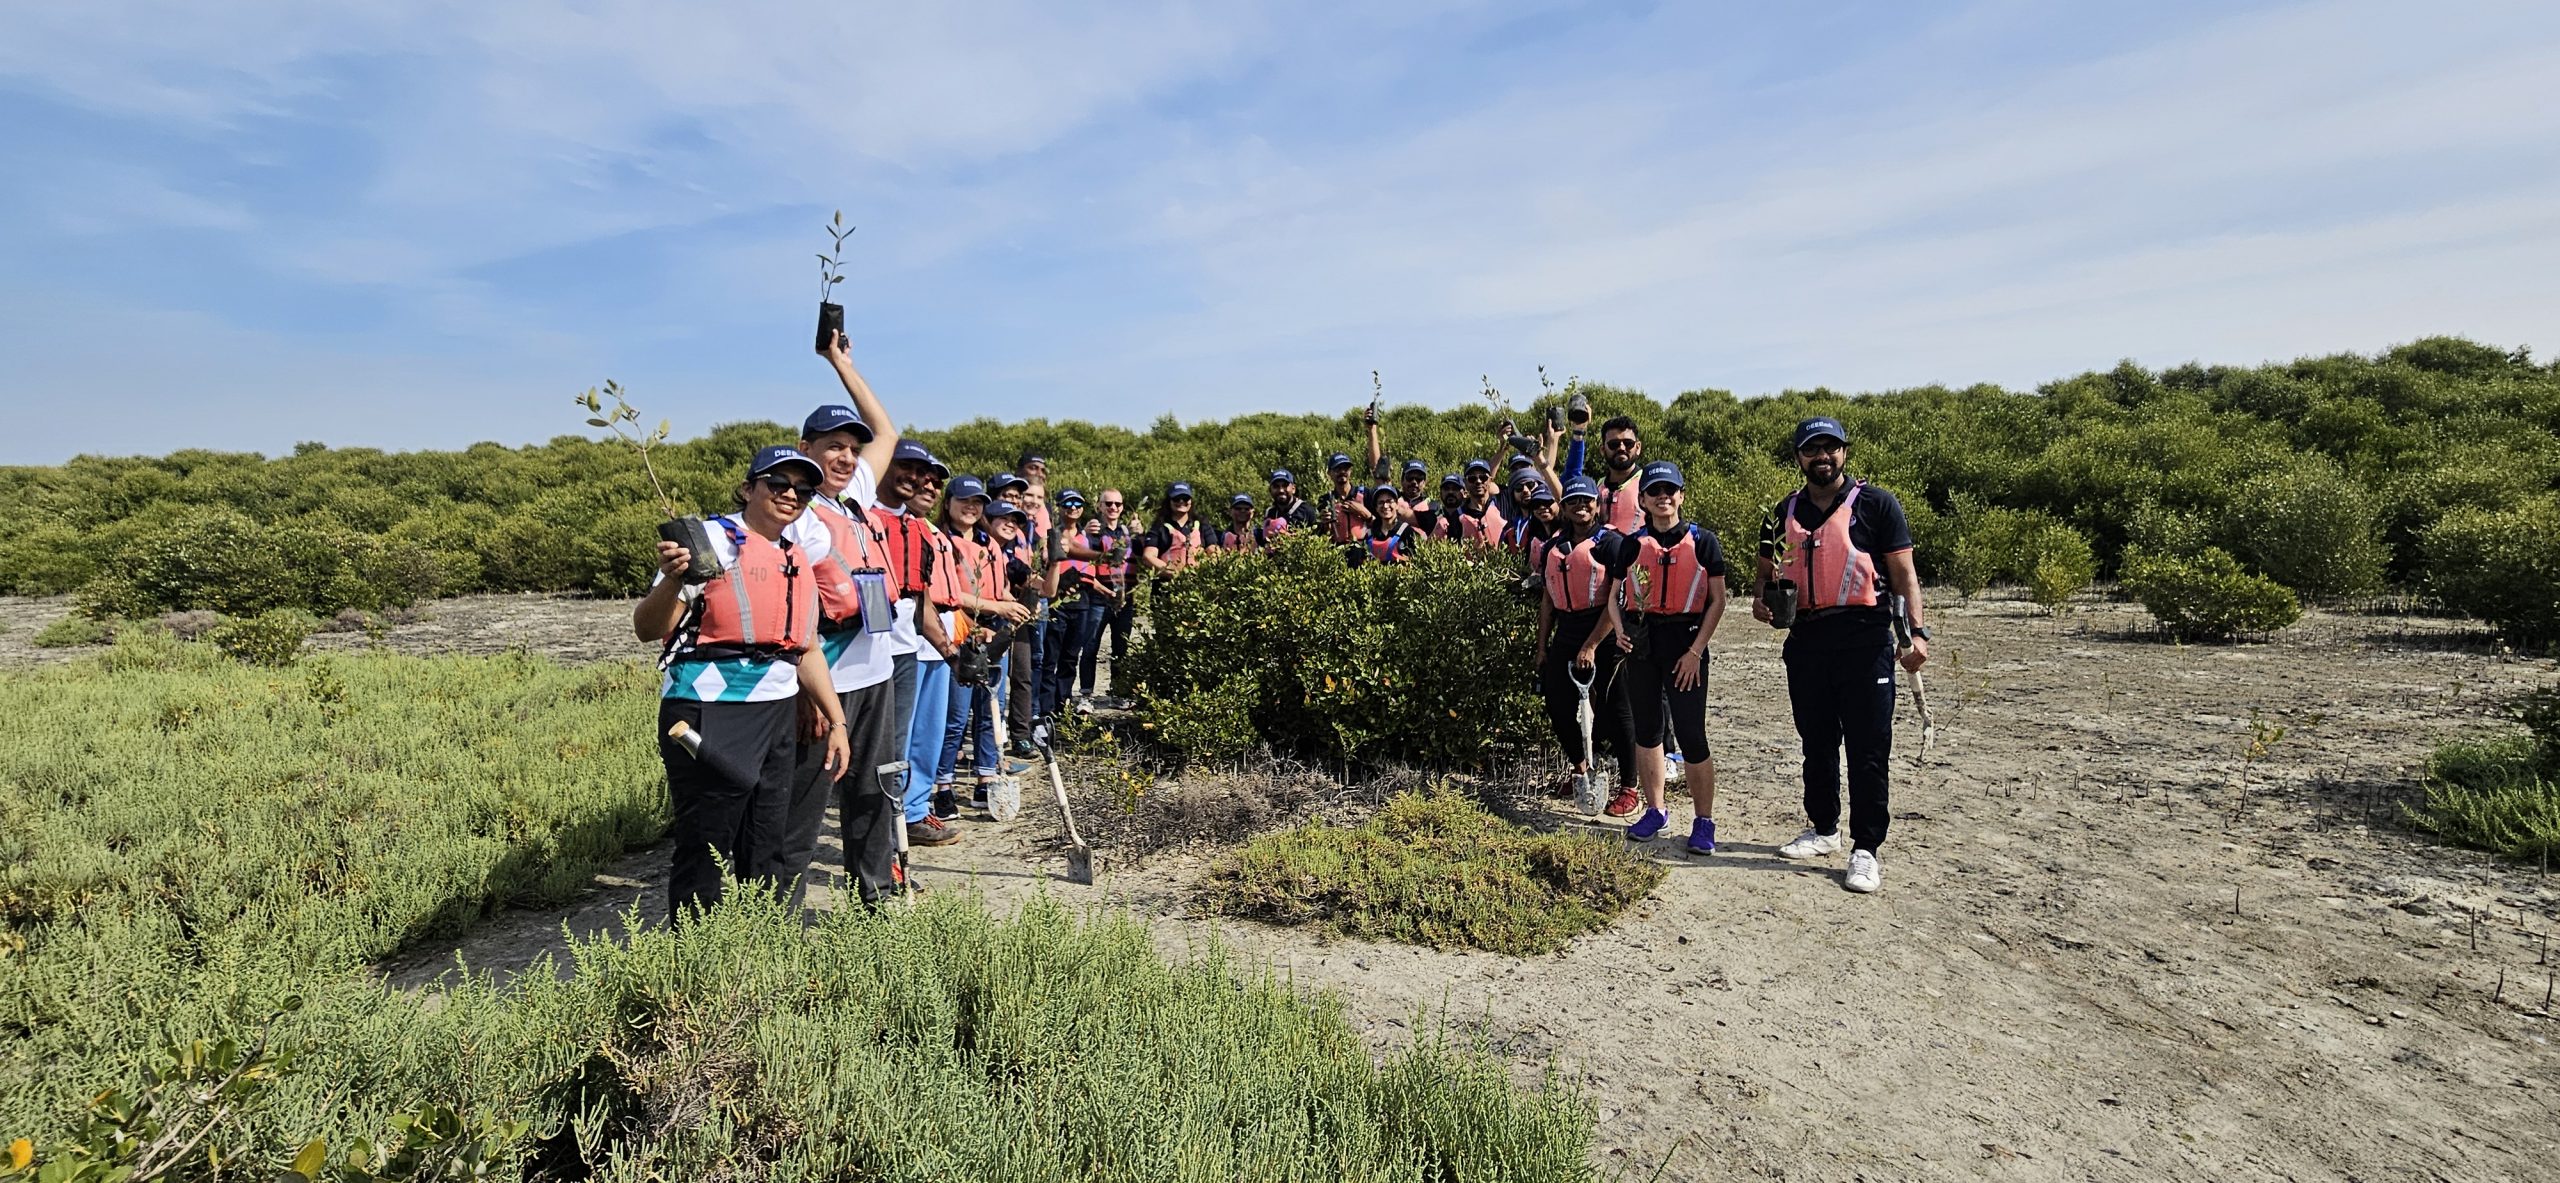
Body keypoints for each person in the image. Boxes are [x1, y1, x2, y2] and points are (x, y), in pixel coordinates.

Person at [635, 446, 848, 921]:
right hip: (706, 707)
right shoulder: (708, 540)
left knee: (766, 841)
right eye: (779, 483)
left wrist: (837, 721)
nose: (791, 494)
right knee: (706, 843)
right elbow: (648, 628)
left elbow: (806, 647)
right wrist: (672, 580)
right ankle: (698, 957)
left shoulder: (795, 556)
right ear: (749, 488)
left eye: (804, 489)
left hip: (775, 710)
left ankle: (761, 943)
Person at [1754, 416, 1928, 894]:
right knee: (1816, 741)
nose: (1822, 457)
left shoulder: (1876, 505)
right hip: (1806, 640)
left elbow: (1905, 576)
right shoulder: (1780, 512)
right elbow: (1765, 572)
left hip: (1865, 638)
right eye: (1812, 449)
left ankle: (1866, 849)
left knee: (1868, 749)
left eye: (1831, 448)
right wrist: (1763, 601)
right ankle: (1824, 829)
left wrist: (1917, 633)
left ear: (1845, 453)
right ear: (1799, 458)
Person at [776, 332, 907, 908]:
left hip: (874, 672)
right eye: (831, 446)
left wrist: (840, 363)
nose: (846, 457)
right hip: (825, 678)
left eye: (851, 448)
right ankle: (775, 918)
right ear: (805, 449)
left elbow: (888, 433)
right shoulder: (793, 512)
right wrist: (807, 691)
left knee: (874, 793)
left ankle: (873, 901)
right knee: (803, 803)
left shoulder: (855, 493)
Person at [1603, 461, 1728, 850]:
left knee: (1691, 735)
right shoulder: (1631, 544)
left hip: (1686, 644)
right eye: (1654, 491)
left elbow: (1718, 600)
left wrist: (1695, 652)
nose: (1663, 497)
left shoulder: (1703, 541)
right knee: (1647, 731)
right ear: (1642, 500)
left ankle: (1703, 822)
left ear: (1681, 496)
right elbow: (1613, 595)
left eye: (1669, 490)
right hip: (1643, 642)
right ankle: (1655, 810)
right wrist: (1621, 632)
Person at [908, 476, 1032, 846]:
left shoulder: (988, 544)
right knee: (953, 718)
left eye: (977, 501)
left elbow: (999, 589)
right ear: (948, 503)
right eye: (964, 500)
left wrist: (1004, 613)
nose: (971, 507)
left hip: (990, 634)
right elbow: (948, 595)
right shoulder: (936, 537)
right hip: (954, 636)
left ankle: (984, 778)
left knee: (990, 710)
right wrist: (993, 611)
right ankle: (942, 787)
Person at [1534, 476, 1636, 813]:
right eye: (1573, 501)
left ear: (1597, 504)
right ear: (1563, 507)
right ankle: (1580, 770)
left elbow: (1617, 600)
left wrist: (1592, 644)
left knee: (1615, 706)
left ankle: (1629, 787)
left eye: (1587, 500)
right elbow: (1548, 602)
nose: (1581, 507)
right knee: (1557, 703)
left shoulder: (1612, 544)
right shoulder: (1552, 547)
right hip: (1567, 630)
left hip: (1605, 630)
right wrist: (1542, 647)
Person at [1037, 489, 1094, 722]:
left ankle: (1063, 704)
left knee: (1070, 657)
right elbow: (1043, 560)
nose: (1073, 507)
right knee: (1051, 656)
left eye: (1077, 503)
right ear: (1059, 506)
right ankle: (1046, 707)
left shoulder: (1088, 535)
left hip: (1081, 600)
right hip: (1057, 600)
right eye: (1068, 503)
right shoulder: (1052, 533)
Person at [1078, 489, 1135, 704]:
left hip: (1124, 598)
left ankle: (1119, 693)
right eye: (1108, 503)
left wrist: (1140, 535)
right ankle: (1085, 695)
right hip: (1098, 597)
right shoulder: (1092, 533)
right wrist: (1105, 590)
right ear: (1100, 506)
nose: (1113, 508)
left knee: (1121, 647)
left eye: (1117, 504)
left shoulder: (1128, 533)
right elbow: (1084, 565)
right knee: (1091, 645)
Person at [1138, 481, 1211, 578]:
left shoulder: (1202, 525)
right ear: (1169, 501)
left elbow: (1213, 551)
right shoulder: (1159, 527)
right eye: (1176, 498)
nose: (1181, 501)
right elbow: (1148, 556)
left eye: (1185, 498)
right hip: (1166, 588)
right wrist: (1175, 574)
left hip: (1197, 585)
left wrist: (1203, 572)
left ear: (1191, 501)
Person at [1444, 459, 1506, 545]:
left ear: (1490, 480)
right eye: (1472, 478)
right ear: (1465, 483)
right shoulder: (1457, 516)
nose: (1478, 481)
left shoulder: (1502, 504)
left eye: (1483, 477)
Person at [1350, 482, 1414, 565]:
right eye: (1381, 502)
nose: (1385, 506)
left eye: (1389, 501)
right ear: (1376, 508)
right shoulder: (1370, 534)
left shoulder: (1407, 532)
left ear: (1397, 505)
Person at [1317, 452, 1374, 545]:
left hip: (1364, 550)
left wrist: (1365, 514)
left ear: (1350, 471)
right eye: (1337, 469)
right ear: (1329, 473)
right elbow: (1321, 535)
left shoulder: (1366, 494)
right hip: (1337, 553)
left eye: (1346, 468)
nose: (1342, 472)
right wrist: (1325, 524)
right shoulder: (1325, 500)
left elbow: (1380, 525)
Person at [1258, 469, 1320, 545]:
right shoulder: (1270, 513)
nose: (1281, 490)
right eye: (1276, 486)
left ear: (1293, 489)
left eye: (1285, 486)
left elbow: (1317, 540)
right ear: (1270, 490)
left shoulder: (1306, 511)